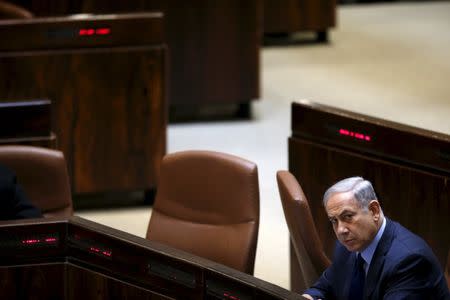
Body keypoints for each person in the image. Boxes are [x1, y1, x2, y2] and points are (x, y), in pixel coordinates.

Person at [303, 176, 449, 300]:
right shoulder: (347, 245)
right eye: (334, 220)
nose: (341, 230)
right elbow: (325, 286)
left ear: (374, 211)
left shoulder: (410, 261)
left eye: (348, 217)